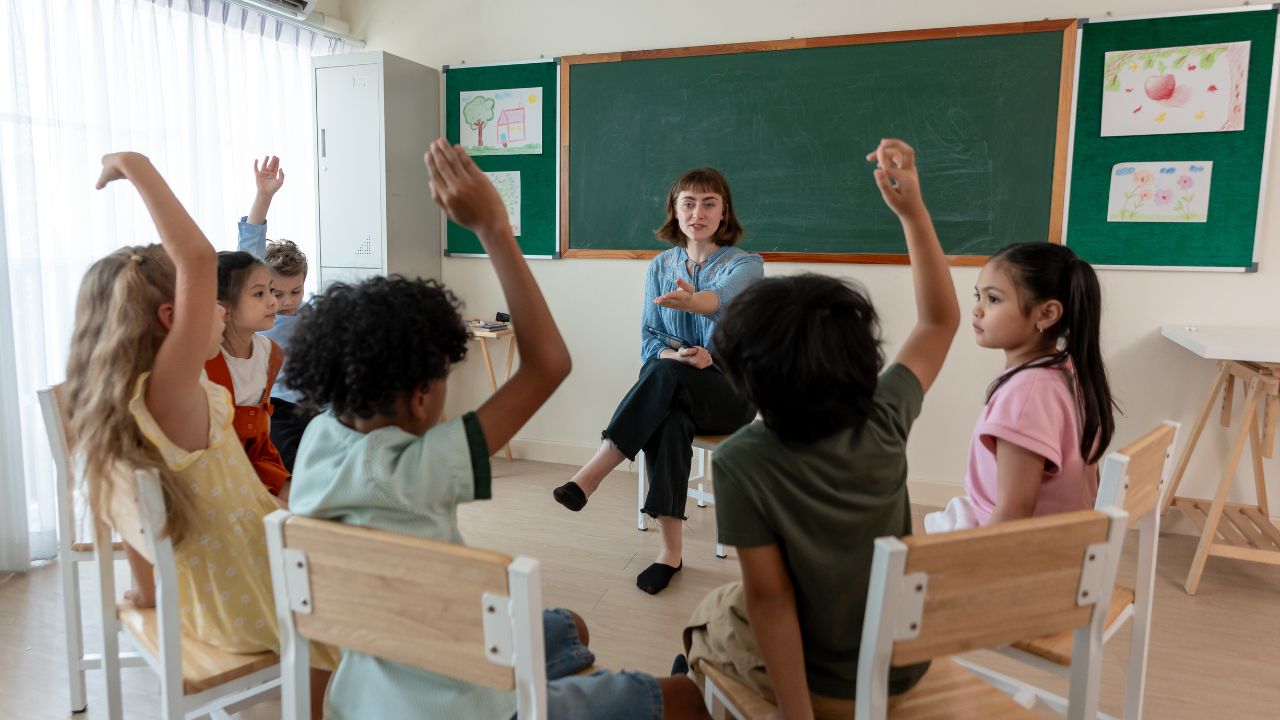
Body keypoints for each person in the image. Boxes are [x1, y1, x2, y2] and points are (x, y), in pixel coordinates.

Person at [284, 139, 710, 720]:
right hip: (470, 706)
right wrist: (492, 227)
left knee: (570, 627)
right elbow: (548, 364)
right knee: (682, 697)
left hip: (369, 693)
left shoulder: (318, 438)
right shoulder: (416, 468)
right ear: (419, 397)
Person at [682, 139, 959, 718]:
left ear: (744, 376)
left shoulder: (741, 459)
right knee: (733, 599)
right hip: (904, 663)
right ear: (862, 358)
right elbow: (940, 320)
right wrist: (913, 212)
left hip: (826, 686)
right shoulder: (885, 412)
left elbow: (772, 602)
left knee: (708, 615)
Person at [64, 151, 336, 718]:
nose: (218, 312)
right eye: (208, 305)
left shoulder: (121, 407)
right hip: (253, 598)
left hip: (200, 597)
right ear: (173, 319)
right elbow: (197, 257)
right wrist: (132, 164)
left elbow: (127, 520)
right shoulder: (173, 394)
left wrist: (147, 594)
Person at [553, 167, 763, 595]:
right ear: (675, 210)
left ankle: (593, 473)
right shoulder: (661, 266)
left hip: (731, 394)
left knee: (665, 377)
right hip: (677, 387)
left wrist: (697, 314)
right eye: (689, 203)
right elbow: (650, 342)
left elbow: (720, 300)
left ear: (724, 212)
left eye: (709, 204)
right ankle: (670, 553)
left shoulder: (746, 265)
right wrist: (679, 354)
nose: (698, 213)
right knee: (668, 414)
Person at [924, 242, 1116, 532]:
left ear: (1046, 314)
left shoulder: (1025, 397)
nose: (977, 310)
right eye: (978, 296)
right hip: (1062, 534)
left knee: (888, 542)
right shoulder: (1065, 370)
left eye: (993, 299)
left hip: (1018, 544)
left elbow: (1014, 513)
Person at [237, 155, 313, 471]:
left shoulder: (311, 313)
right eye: (277, 293)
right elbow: (248, 253)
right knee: (291, 465)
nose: (286, 301)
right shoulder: (260, 315)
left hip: (314, 404)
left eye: (295, 292)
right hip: (278, 404)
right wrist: (264, 196)